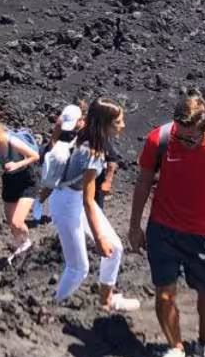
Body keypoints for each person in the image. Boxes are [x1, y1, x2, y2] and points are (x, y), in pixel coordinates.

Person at [126, 93, 205, 357]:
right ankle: (175, 347)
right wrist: (134, 225)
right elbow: (143, 181)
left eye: (190, 138)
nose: (184, 142)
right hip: (164, 230)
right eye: (180, 135)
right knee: (164, 293)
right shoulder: (161, 139)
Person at [37, 100, 140, 313]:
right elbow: (88, 200)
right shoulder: (93, 152)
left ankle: (106, 301)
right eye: (118, 122)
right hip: (66, 203)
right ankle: (53, 308)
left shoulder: (88, 136)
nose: (123, 126)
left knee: (116, 248)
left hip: (73, 199)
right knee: (78, 268)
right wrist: (99, 238)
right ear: (105, 124)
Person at [0, 113, 42, 267]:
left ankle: (27, 244)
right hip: (9, 181)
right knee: (10, 222)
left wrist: (16, 164)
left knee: (17, 222)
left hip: (27, 180)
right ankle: (23, 246)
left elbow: (35, 156)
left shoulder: (11, 141)